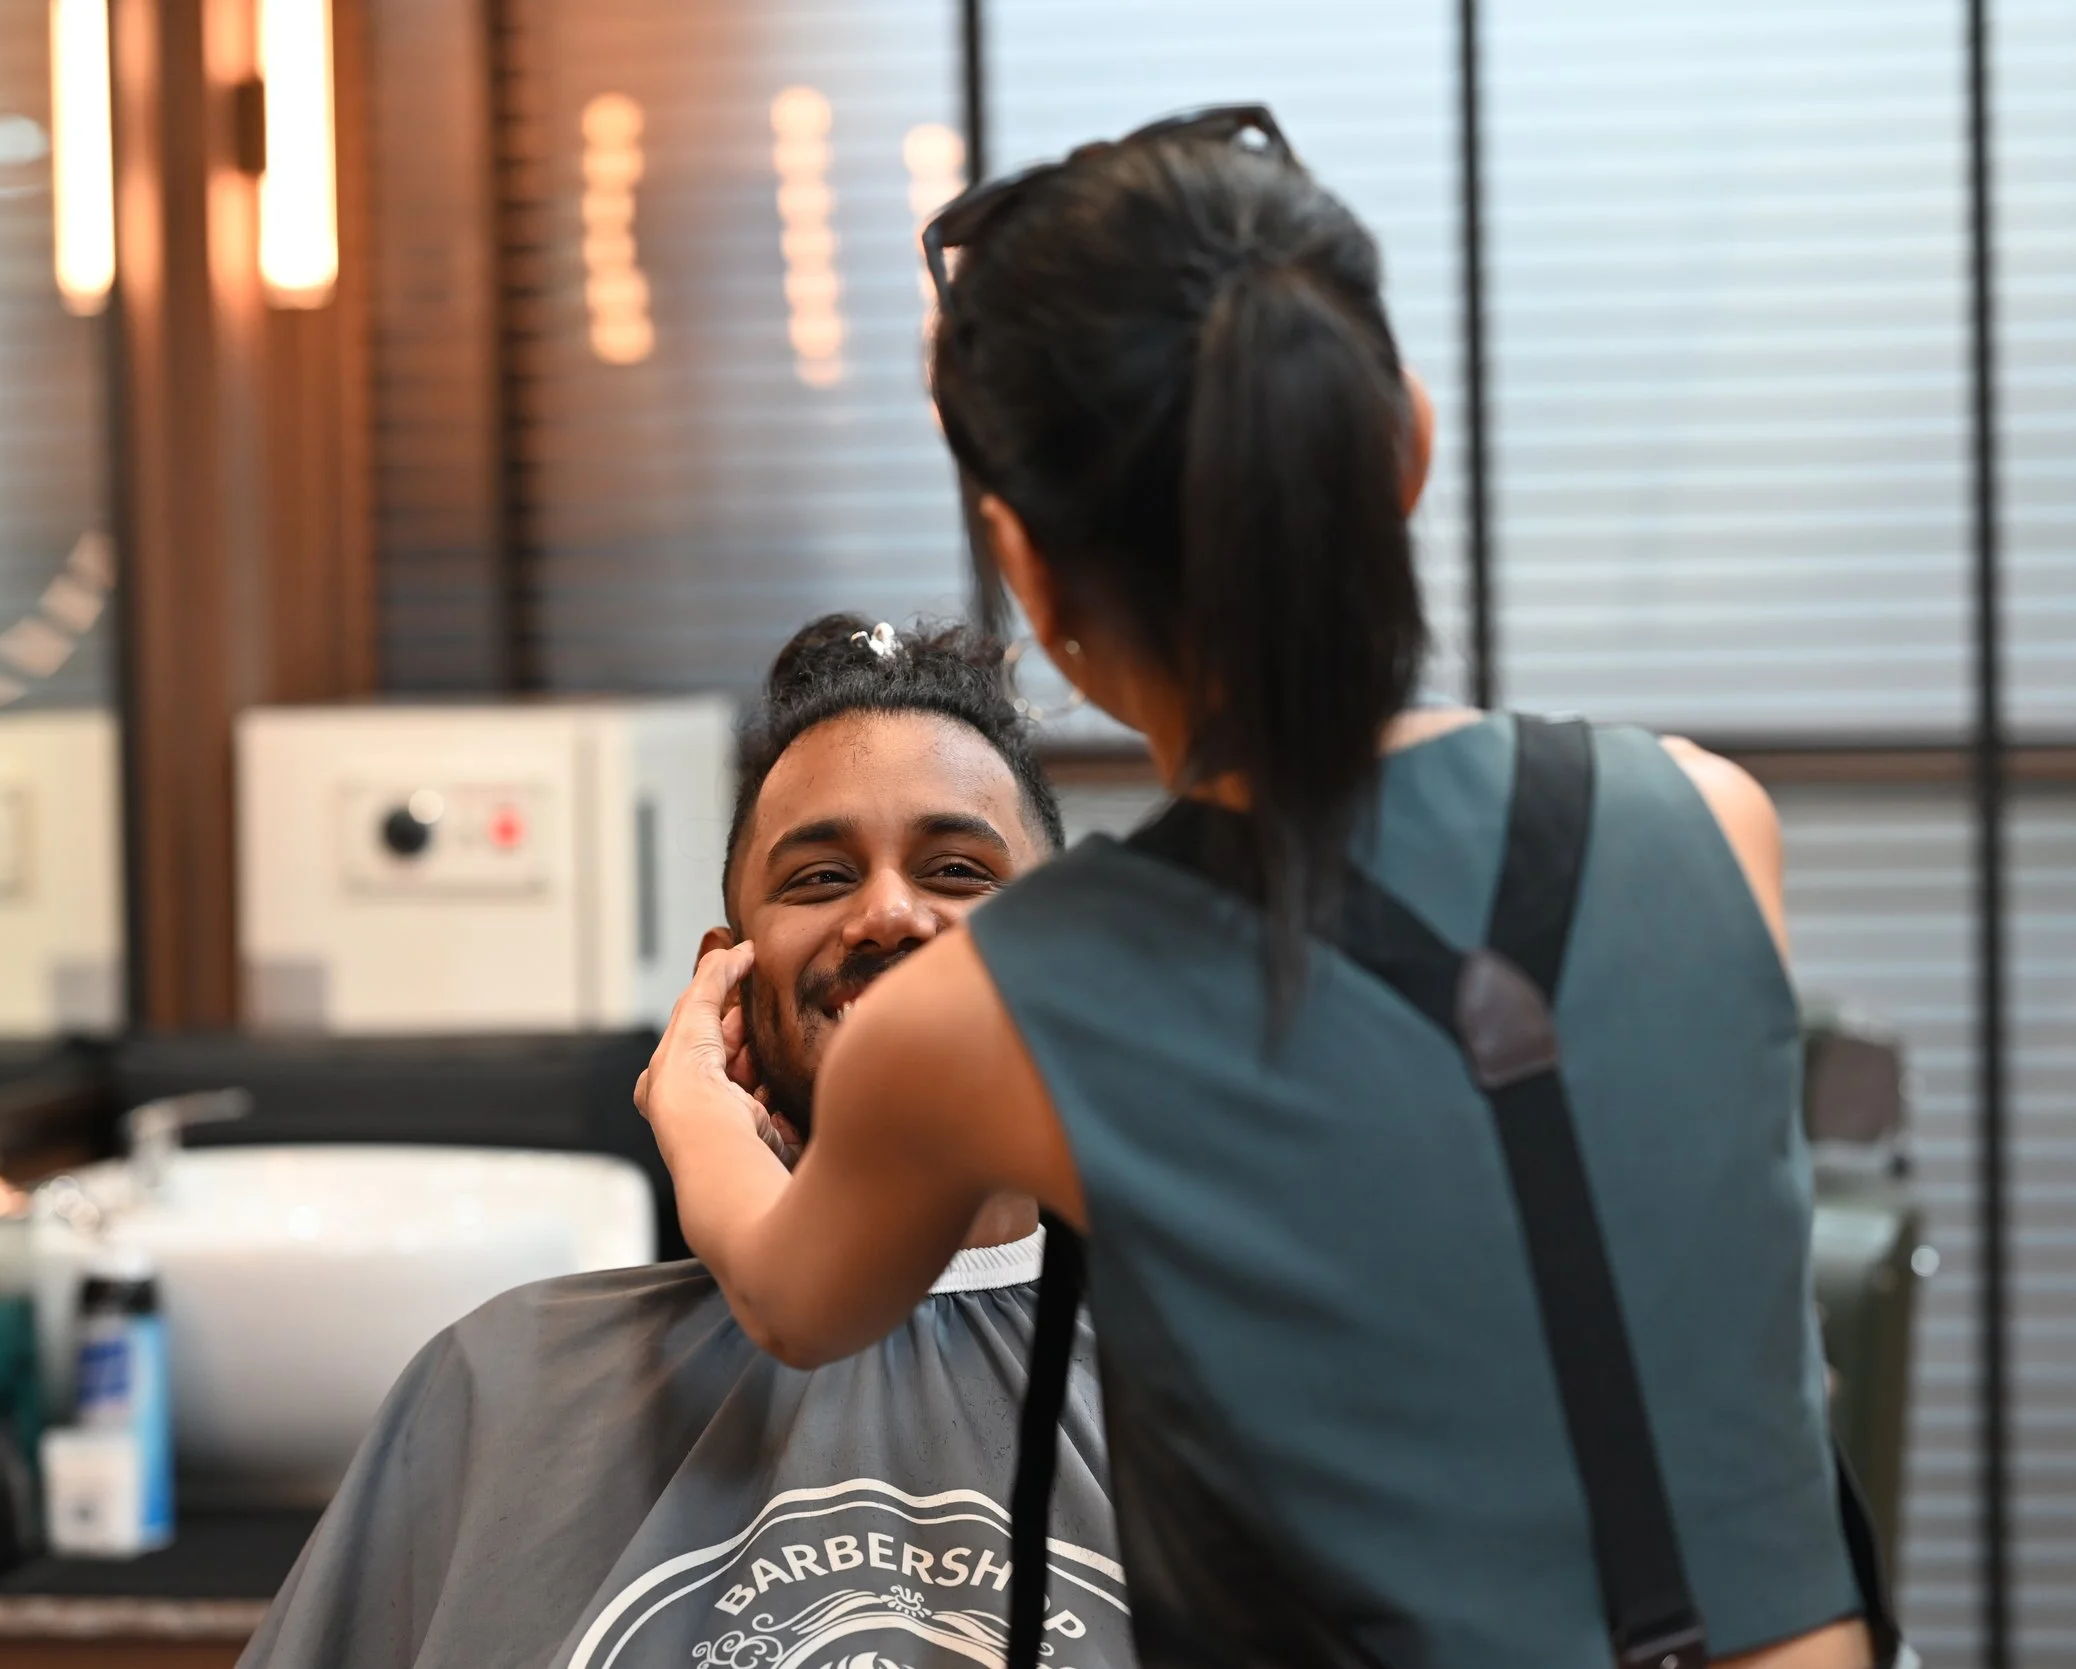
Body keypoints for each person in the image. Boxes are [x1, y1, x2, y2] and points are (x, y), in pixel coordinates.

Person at [636, 109, 1893, 1668]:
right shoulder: (1711, 821)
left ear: (1025, 568)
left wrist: (692, 1092)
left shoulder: (989, 1017)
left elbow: (792, 1298)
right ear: (1409, 446)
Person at [240, 617, 1140, 1669]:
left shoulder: (1232, 1389)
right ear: (727, 979)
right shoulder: (501, 1387)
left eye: (956, 870)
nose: (890, 913)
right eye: (816, 879)